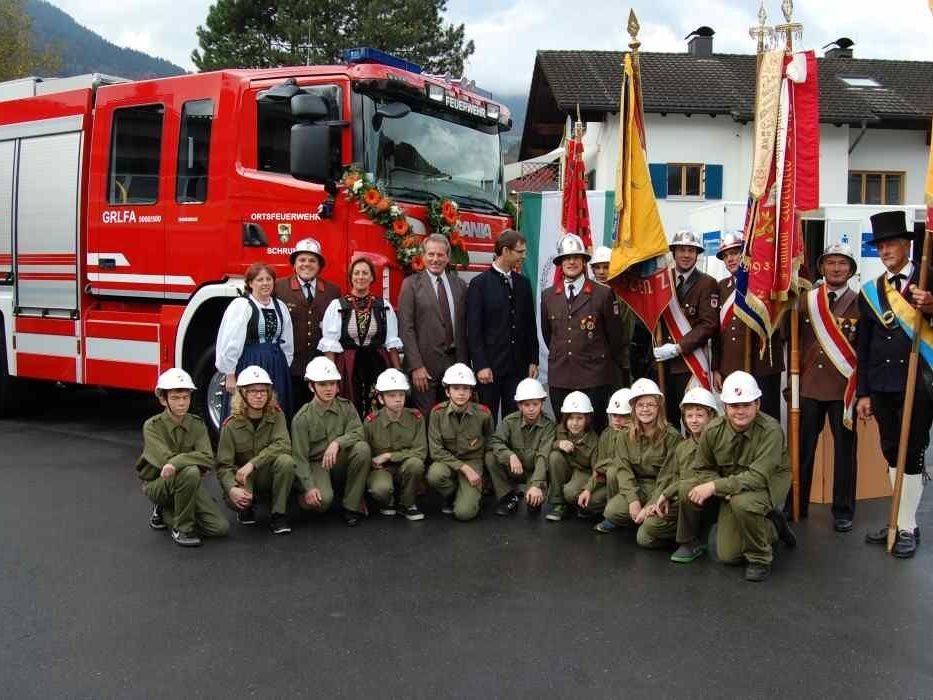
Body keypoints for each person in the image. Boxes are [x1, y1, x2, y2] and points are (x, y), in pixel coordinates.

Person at [856, 210, 933, 558]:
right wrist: (863, 392)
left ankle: (907, 526)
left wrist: (931, 306)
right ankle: (896, 520)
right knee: (890, 450)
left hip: (919, 382)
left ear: (907, 245)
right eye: (881, 245)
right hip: (883, 383)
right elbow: (865, 347)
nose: (885, 250)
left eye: (891, 243)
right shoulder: (871, 291)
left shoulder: (929, 278)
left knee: (912, 452)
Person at [671, 371, 795, 582]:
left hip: (768, 481)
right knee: (728, 554)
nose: (740, 411)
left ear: (758, 404)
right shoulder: (713, 430)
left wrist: (716, 487)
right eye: (734, 406)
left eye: (746, 405)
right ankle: (691, 541)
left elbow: (757, 477)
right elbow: (701, 468)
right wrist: (719, 486)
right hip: (731, 484)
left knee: (743, 503)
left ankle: (762, 551)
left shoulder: (771, 430)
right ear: (725, 407)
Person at [793, 243, 860, 533]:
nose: (836, 268)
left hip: (844, 389)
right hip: (809, 386)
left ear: (851, 270)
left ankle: (843, 510)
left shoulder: (861, 303)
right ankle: (797, 503)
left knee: (845, 453)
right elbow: (791, 340)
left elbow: (865, 350)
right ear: (822, 267)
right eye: (831, 263)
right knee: (803, 449)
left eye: (842, 264)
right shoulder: (806, 300)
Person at [541, 233, 626, 432]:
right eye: (567, 258)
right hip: (561, 376)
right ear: (560, 263)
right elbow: (549, 334)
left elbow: (614, 336)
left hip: (593, 376)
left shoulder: (603, 294)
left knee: (594, 429)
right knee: (564, 429)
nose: (572, 262)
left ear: (584, 261)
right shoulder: (548, 296)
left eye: (577, 257)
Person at [135, 368, 229, 548]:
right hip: (158, 483)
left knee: (220, 528)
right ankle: (182, 527)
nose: (181, 403)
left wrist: (176, 462)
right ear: (163, 400)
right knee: (191, 471)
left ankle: (167, 511)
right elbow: (164, 459)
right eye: (175, 398)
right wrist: (190, 461)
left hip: (186, 480)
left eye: (185, 398)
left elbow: (208, 457)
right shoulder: (152, 426)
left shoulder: (197, 424)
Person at [466, 229, 539, 423]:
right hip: (490, 369)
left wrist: (533, 359)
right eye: (520, 251)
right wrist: (481, 365)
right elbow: (474, 330)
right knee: (486, 419)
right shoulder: (479, 284)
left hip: (518, 367)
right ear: (505, 251)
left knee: (514, 419)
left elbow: (530, 324)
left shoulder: (523, 284)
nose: (524, 255)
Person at [291, 356, 372, 527]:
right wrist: (309, 487)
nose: (328, 389)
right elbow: (299, 458)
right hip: (316, 464)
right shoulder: (302, 418)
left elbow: (358, 432)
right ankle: (300, 498)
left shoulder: (346, 407)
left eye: (332, 384)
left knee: (362, 449)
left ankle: (351, 505)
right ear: (311, 386)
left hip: (338, 458)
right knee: (323, 502)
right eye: (322, 384)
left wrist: (337, 443)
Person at [711, 231, 783, 420]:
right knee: (734, 419)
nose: (730, 259)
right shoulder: (721, 287)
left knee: (766, 418)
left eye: (735, 253)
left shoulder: (764, 284)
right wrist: (716, 367)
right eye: (726, 256)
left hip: (762, 366)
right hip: (731, 365)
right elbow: (717, 332)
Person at [215, 365, 295, 535]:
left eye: (264, 391)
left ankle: (278, 514)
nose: (259, 396)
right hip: (243, 478)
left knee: (286, 461)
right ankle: (246, 507)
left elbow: (284, 445)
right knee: (239, 498)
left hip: (265, 472)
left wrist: (253, 463)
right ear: (242, 394)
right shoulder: (231, 425)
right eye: (252, 391)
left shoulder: (276, 415)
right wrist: (231, 489)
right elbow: (223, 466)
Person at [319, 256, 403, 418]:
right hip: (349, 365)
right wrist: (331, 376)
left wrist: (398, 373)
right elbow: (330, 346)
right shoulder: (338, 306)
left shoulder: (383, 306)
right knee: (350, 406)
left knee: (378, 408)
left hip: (378, 364)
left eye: (365, 273)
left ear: (372, 277)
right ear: (350, 277)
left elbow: (391, 343)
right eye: (356, 273)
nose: (360, 277)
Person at [595, 378, 682, 533]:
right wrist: (633, 500)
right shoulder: (625, 436)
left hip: (660, 489)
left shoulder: (672, 436)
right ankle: (627, 519)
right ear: (634, 408)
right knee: (611, 511)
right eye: (640, 405)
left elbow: (669, 477)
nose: (645, 409)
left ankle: (647, 521)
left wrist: (650, 505)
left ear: (659, 407)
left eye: (650, 404)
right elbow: (623, 469)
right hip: (638, 486)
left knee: (644, 537)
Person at [397, 233, 468, 418]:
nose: (435, 259)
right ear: (423, 256)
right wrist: (416, 366)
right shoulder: (411, 285)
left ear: (448, 257)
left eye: (440, 254)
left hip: (455, 364)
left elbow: (465, 327)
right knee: (427, 419)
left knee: (452, 419)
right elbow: (406, 328)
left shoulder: (460, 285)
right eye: (431, 254)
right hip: (424, 368)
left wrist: (465, 364)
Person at [640, 387, 719, 550]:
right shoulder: (682, 447)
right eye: (689, 416)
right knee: (645, 535)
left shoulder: (719, 444)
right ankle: (692, 535)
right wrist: (655, 503)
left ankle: (699, 535)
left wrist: (674, 491)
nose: (694, 420)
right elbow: (670, 477)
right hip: (683, 503)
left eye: (700, 415)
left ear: (711, 416)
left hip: (711, 503)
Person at [653, 230, 718, 425]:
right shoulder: (661, 281)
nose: (686, 255)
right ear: (673, 252)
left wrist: (678, 347)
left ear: (697, 254)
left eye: (691, 250)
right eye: (682, 250)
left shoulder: (707, 283)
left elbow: (709, 324)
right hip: (663, 363)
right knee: (668, 420)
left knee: (694, 420)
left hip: (690, 363)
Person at [216, 262, 294, 420]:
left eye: (269, 279)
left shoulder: (280, 306)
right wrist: (230, 374)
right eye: (260, 280)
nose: (265, 283)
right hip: (249, 362)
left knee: (275, 410)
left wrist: (283, 365)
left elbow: (287, 341)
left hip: (276, 364)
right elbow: (231, 341)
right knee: (248, 408)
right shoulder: (242, 306)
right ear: (250, 283)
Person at [275, 238, 341, 411]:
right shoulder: (278, 288)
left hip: (320, 368)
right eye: (302, 260)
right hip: (290, 367)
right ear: (294, 264)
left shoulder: (333, 291)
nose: (307, 264)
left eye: (312, 260)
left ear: (319, 265)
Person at [426, 363, 492, 522]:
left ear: (471, 391)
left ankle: (471, 494)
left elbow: (490, 444)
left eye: (466, 388)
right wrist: (463, 468)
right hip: (447, 461)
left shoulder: (483, 414)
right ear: (447, 391)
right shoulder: (437, 414)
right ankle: (454, 493)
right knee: (434, 475)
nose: (461, 393)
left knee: (464, 513)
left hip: (473, 460)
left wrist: (483, 475)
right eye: (456, 388)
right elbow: (436, 451)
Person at [363, 368, 428, 521]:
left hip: (405, 466)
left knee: (416, 464)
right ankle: (388, 501)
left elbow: (420, 452)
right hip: (381, 470)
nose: (398, 399)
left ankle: (407, 504)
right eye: (392, 396)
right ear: (381, 399)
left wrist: (389, 456)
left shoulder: (416, 418)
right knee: (380, 489)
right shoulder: (371, 422)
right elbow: (364, 453)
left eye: (401, 394)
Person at [486, 377, 556, 516]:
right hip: (515, 469)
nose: (531, 409)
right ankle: (508, 496)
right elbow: (495, 441)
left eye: (535, 404)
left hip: (536, 472)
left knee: (533, 507)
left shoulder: (549, 425)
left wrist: (536, 485)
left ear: (542, 403)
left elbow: (543, 456)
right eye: (526, 405)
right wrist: (510, 455)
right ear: (519, 406)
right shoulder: (509, 421)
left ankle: (535, 493)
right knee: (490, 457)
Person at [573, 388, 633, 522]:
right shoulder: (607, 434)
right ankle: (613, 510)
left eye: (622, 416)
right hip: (608, 484)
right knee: (586, 502)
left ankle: (614, 517)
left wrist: (604, 467)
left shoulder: (635, 435)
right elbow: (598, 466)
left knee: (612, 471)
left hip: (629, 485)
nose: (617, 420)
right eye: (614, 415)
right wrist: (588, 489)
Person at [545, 391, 599, 521]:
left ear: (587, 419)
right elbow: (546, 446)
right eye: (570, 418)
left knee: (570, 493)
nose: (574, 423)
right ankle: (558, 503)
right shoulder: (560, 430)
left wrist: (588, 489)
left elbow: (597, 471)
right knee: (554, 456)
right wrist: (558, 443)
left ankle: (576, 503)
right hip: (567, 468)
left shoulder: (594, 441)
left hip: (583, 472)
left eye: (579, 418)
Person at [590, 245, 638, 385]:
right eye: (597, 267)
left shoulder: (622, 294)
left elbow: (627, 331)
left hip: (618, 358)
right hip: (591, 361)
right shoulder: (586, 292)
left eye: (606, 267)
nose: (601, 272)